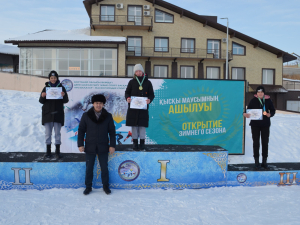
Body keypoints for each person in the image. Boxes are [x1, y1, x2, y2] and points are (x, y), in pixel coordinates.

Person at [77, 94, 116, 195]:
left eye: (100, 103)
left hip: (103, 146)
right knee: (89, 167)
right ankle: (88, 186)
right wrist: (80, 144)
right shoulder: (86, 115)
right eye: (96, 103)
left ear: (103, 104)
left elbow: (112, 131)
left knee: (104, 167)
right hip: (90, 146)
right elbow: (81, 130)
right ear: (93, 104)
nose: (98, 105)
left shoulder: (108, 116)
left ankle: (105, 186)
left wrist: (112, 145)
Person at [243, 86, 276, 169]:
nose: (260, 94)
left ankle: (264, 162)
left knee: (265, 143)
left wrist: (269, 114)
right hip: (255, 125)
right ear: (256, 93)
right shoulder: (253, 100)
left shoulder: (268, 100)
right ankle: (256, 162)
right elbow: (247, 111)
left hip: (265, 125)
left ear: (264, 93)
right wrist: (245, 114)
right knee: (256, 143)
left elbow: (273, 110)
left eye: (261, 92)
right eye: (258, 92)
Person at [39, 70, 69, 159]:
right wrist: (42, 96)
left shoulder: (61, 88)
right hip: (47, 115)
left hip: (58, 115)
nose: (53, 79)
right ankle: (48, 151)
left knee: (57, 134)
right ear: (49, 79)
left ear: (57, 78)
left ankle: (57, 152)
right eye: (51, 78)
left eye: (54, 78)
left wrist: (63, 95)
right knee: (48, 134)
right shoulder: (45, 88)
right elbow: (41, 101)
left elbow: (66, 100)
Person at [125, 64, 155, 150]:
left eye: (140, 71)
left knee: (142, 126)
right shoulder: (131, 82)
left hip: (143, 109)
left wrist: (149, 99)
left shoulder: (148, 82)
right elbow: (127, 92)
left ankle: (142, 143)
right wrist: (128, 98)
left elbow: (151, 94)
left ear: (143, 72)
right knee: (134, 126)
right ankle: (135, 143)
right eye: (136, 71)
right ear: (134, 72)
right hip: (133, 109)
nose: (138, 73)